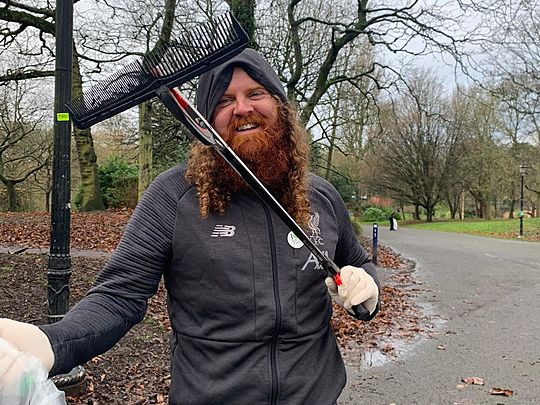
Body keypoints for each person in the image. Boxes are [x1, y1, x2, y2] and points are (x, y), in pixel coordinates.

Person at [0, 49, 380, 405]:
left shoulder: (321, 196)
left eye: (255, 93)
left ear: (280, 106)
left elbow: (359, 263)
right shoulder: (174, 196)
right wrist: (52, 342)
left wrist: (368, 289)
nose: (242, 108)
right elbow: (120, 296)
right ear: (204, 122)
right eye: (224, 100)